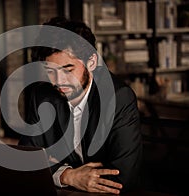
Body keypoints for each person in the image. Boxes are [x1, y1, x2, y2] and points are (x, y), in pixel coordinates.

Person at [18, 17, 142, 195]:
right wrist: (67, 176)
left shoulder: (118, 97)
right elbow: (26, 158)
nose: (59, 81)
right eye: (50, 71)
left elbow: (122, 179)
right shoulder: (42, 95)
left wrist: (51, 165)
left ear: (91, 62)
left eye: (68, 70)